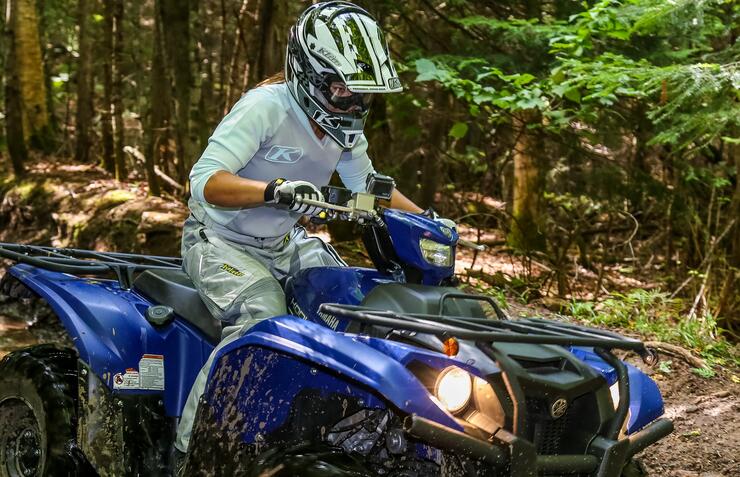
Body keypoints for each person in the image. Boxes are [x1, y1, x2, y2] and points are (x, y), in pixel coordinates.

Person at [172, 1, 453, 469]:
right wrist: (272, 190)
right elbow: (205, 181)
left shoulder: (345, 128)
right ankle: (189, 449)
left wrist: (431, 222)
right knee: (262, 313)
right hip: (218, 239)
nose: (354, 102)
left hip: (284, 243)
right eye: (343, 89)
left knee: (354, 303)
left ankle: (340, 432)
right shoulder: (266, 108)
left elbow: (370, 188)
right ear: (309, 73)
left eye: (363, 94)